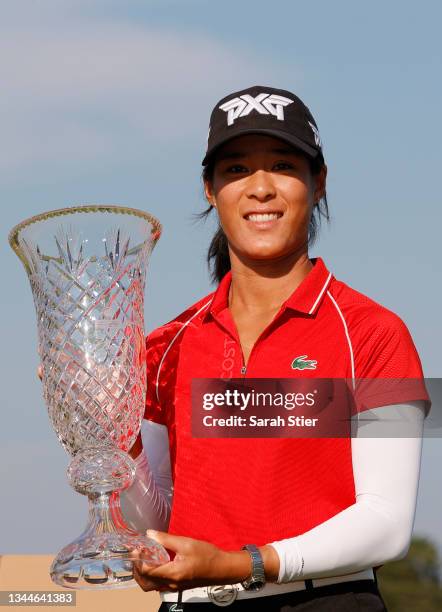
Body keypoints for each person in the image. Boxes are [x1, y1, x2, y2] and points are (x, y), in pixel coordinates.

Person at [120, 86, 431, 610]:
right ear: (209, 189)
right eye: (236, 169)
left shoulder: (375, 333)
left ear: (319, 182)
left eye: (283, 165)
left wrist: (246, 564)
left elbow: (386, 524)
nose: (260, 188)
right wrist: (109, 431)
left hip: (325, 600)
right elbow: (155, 521)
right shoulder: (164, 346)